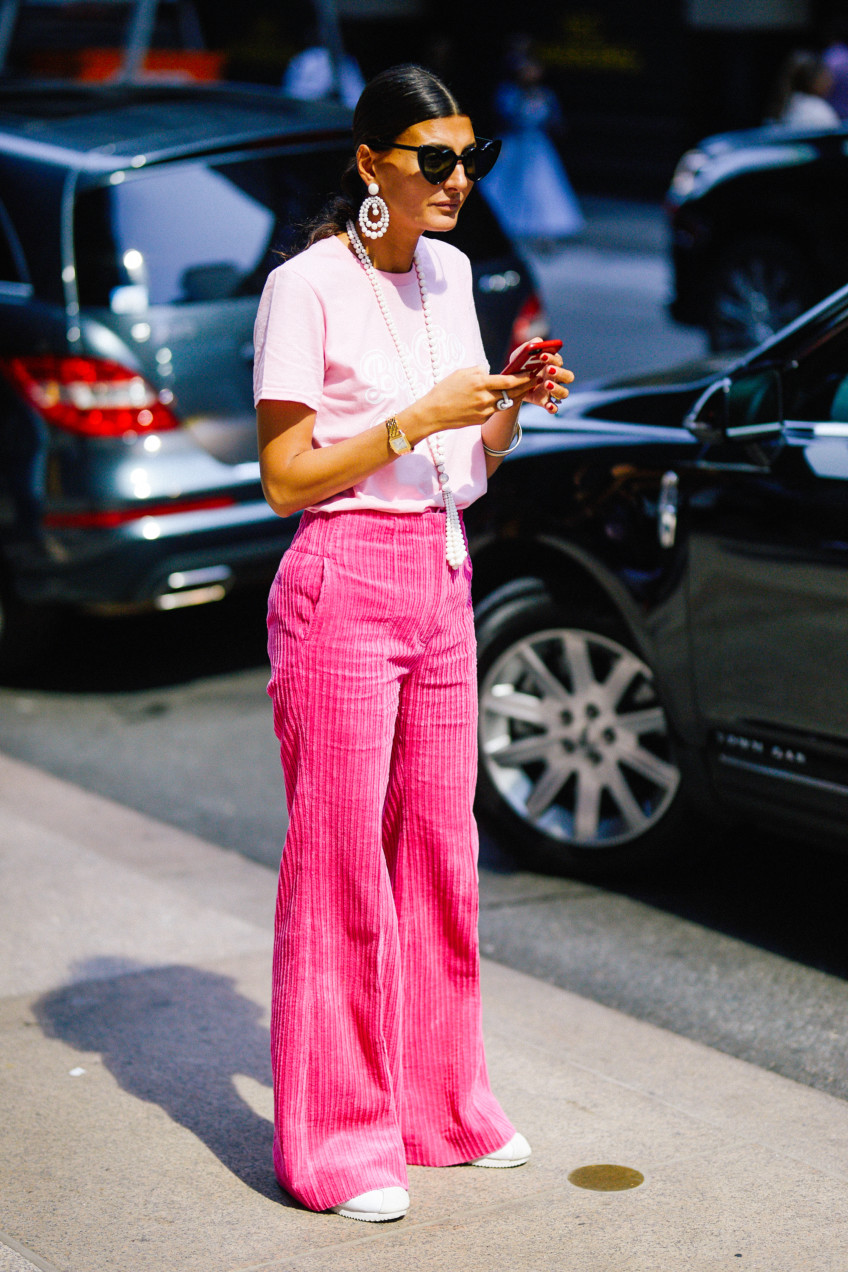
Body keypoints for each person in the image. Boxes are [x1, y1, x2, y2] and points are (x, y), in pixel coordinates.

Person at [253, 63, 573, 1222]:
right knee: (339, 864)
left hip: (439, 569)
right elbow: (284, 478)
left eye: (469, 159)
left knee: (441, 848)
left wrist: (505, 404)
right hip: (339, 575)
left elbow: (465, 470)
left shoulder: (448, 270)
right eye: (432, 159)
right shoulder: (305, 287)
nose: (455, 182)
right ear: (370, 162)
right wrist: (414, 417)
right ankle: (337, 1144)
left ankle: (439, 1108)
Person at [481, 46, 584, 247]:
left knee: (541, 187)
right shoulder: (509, 93)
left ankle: (542, 231)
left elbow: (556, 122)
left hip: (538, 147)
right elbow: (504, 118)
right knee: (506, 185)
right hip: (514, 145)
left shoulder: (546, 94)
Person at [767, 50, 840, 128]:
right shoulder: (819, 111)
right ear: (815, 80)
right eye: (825, 76)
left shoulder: (781, 107)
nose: (831, 81)